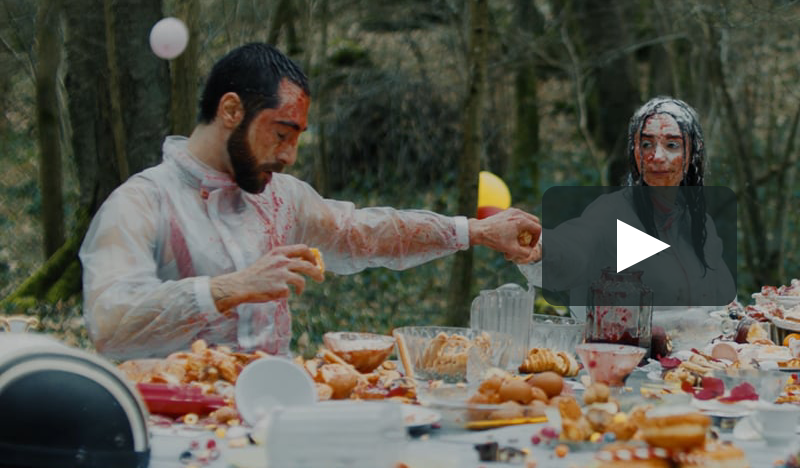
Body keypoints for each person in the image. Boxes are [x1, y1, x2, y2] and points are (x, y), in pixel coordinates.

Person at [80, 43, 540, 359]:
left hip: (274, 414)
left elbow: (364, 234)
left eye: (297, 138)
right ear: (231, 110)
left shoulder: (281, 197)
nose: (289, 156)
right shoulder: (141, 202)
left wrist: (474, 231)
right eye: (281, 134)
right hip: (172, 430)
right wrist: (226, 289)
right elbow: (109, 323)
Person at [527, 97, 734, 316]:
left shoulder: (699, 224)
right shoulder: (612, 213)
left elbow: (724, 302)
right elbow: (575, 246)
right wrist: (538, 246)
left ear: (693, 152)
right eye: (646, 144)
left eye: (672, 145)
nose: (657, 156)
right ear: (634, 152)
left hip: (695, 340)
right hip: (616, 338)